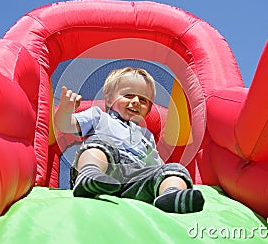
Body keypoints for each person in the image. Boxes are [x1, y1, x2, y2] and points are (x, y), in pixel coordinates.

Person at [54, 67, 204, 213]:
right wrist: (66, 110)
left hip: (133, 182)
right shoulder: (98, 116)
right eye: (129, 95)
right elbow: (65, 125)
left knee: (174, 168)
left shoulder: (146, 135)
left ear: (149, 108)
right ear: (108, 97)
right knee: (100, 145)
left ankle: (171, 195)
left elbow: (156, 165)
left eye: (143, 99)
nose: (136, 101)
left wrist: (167, 174)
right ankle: (88, 176)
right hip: (105, 169)